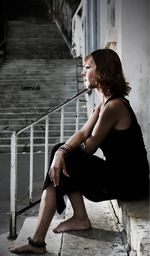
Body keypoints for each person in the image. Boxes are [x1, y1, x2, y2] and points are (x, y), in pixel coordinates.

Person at [10, 48, 149, 254]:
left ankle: (42, 239)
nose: (83, 73)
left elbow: (89, 147)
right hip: (121, 176)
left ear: (102, 72)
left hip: (131, 182)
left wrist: (62, 153)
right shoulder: (104, 105)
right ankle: (70, 223)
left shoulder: (114, 107)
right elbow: (82, 133)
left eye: (87, 67)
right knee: (63, 153)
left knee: (67, 157)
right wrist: (60, 153)